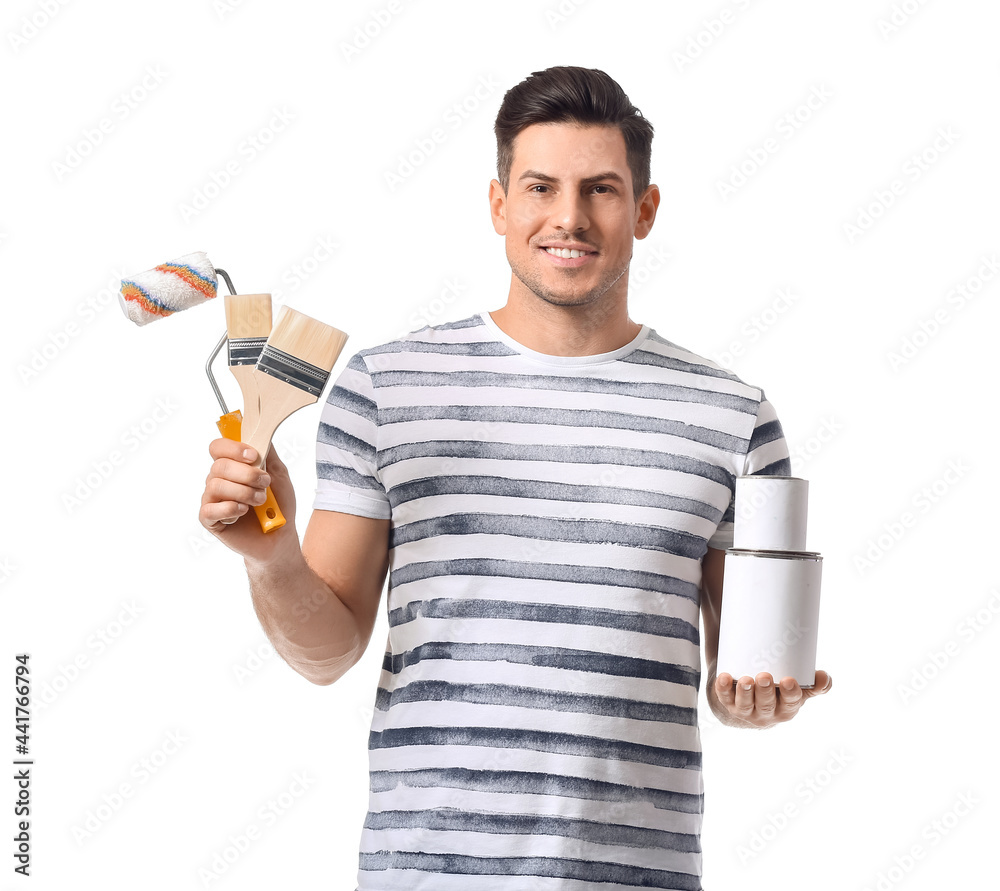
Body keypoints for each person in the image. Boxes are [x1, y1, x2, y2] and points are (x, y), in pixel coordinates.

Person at [200, 66, 832, 891]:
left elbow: (738, 671)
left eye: (601, 189)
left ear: (644, 210)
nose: (568, 218)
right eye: (541, 187)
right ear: (499, 205)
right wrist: (270, 557)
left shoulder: (733, 415)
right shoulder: (389, 388)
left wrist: (761, 696)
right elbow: (327, 654)